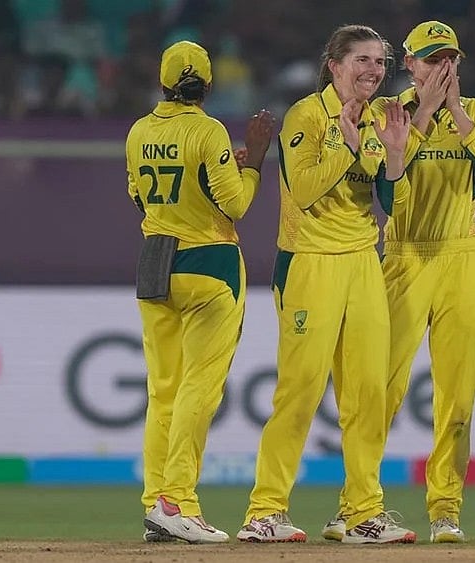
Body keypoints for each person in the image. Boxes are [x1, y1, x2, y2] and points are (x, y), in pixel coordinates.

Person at [237, 24, 416, 544]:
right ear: (334, 66)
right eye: (362, 60)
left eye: (380, 62)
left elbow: (393, 204)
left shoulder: (382, 117)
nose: (373, 71)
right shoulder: (307, 116)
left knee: (367, 394)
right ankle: (265, 511)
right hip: (309, 262)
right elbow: (306, 189)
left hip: (363, 263)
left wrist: (395, 157)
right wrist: (347, 145)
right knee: (300, 391)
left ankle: (363, 514)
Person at [361, 20, 475, 544]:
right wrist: (423, 113)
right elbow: (386, 190)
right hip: (405, 257)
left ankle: (445, 509)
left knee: (458, 398)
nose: (443, 67)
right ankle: (360, 503)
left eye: (450, 58)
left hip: (463, 258)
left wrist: (457, 111)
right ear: (410, 64)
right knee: (381, 387)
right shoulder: (387, 112)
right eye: (432, 59)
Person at [129, 40, 274, 544]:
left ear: (163, 82)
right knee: (198, 388)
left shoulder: (139, 131)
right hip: (209, 263)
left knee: (162, 391)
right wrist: (254, 162)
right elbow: (236, 205)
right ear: (208, 86)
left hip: (156, 260)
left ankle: (156, 503)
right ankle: (178, 502)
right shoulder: (208, 130)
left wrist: (217, 173)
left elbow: (139, 196)